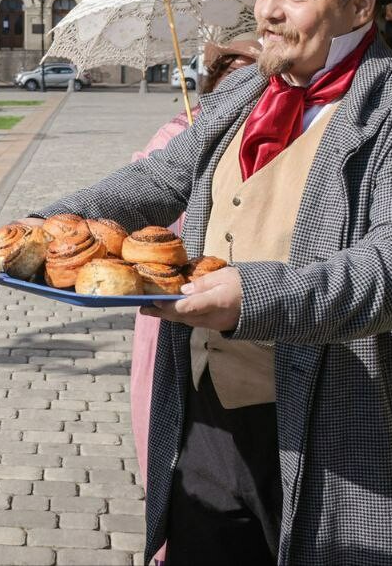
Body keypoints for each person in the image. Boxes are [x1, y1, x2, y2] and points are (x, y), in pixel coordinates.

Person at [28, 0, 392, 565]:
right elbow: (157, 179)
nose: (266, 11)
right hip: (212, 412)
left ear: (360, 7)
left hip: (338, 419)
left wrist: (251, 296)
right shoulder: (244, 91)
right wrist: (46, 223)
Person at [129, 36, 261, 484]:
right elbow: (144, 199)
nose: (245, 87)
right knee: (170, 416)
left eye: (255, 78)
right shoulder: (178, 134)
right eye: (234, 76)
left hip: (246, 313)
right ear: (215, 83)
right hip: (173, 300)